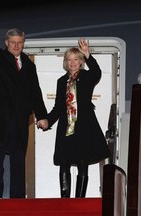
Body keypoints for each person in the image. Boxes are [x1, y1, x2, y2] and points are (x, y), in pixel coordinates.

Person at [0, 19, 48, 199]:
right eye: (13, 42)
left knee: (18, 161)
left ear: (23, 43)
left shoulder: (29, 65)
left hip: (20, 121)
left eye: (20, 42)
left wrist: (42, 116)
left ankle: (18, 200)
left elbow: (35, 92)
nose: (16, 45)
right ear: (7, 43)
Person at [46, 38, 110, 198]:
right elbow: (58, 107)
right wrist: (47, 120)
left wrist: (87, 53)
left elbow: (97, 72)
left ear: (81, 62)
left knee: (83, 162)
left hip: (84, 127)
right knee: (64, 162)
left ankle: (79, 200)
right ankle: (65, 201)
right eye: (69, 60)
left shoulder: (87, 76)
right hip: (66, 127)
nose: (73, 62)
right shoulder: (61, 81)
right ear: (65, 63)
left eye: (76, 59)